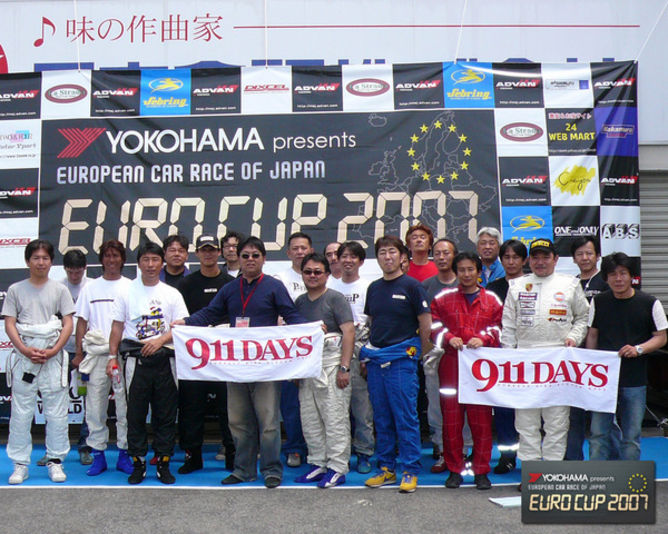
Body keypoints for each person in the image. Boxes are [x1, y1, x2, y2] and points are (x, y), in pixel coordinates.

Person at [179, 236, 305, 488]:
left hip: (266, 366)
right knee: (237, 421)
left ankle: (271, 469)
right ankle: (244, 469)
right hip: (236, 367)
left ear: (264, 259)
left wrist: (312, 328)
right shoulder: (229, 288)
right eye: (245, 255)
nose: (250, 260)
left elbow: (291, 315)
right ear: (238, 258)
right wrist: (185, 322)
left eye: (255, 255)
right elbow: (211, 313)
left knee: (268, 422)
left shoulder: (274, 286)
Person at [501, 239, 589, 468]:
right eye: (536, 257)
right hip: (525, 360)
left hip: (558, 360)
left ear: (555, 259)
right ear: (529, 260)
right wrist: (509, 357)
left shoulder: (570, 284)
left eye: (545, 257)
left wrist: (574, 338)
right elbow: (508, 326)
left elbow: (583, 318)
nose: (540, 262)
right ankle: (530, 471)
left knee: (557, 422)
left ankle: (551, 471)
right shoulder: (517, 286)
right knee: (526, 421)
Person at [108, 241, 189, 485]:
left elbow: (182, 325)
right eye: (146, 260)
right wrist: (111, 357)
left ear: (162, 263)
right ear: (139, 263)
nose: (151, 265)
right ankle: (138, 463)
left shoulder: (171, 293)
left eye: (155, 260)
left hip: (165, 360)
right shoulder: (126, 292)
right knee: (135, 415)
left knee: (166, 415)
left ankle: (163, 463)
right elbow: (117, 327)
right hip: (136, 361)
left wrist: (160, 340)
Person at [362, 235, 432, 494]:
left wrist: (419, 354)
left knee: (405, 417)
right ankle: (386, 468)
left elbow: (425, 323)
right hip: (376, 361)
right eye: (382, 252)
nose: (387, 257)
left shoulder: (413, 286)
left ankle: (410, 469)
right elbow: (372, 323)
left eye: (392, 251)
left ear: (403, 257)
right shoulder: (373, 288)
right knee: (381, 417)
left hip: (402, 361)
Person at [3, 240, 74, 484]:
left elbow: (68, 323)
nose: (41, 262)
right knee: (21, 414)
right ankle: (20, 464)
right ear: (27, 261)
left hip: (52, 357)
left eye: (45, 258)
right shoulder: (15, 289)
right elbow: (10, 323)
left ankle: (55, 461)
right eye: (36, 258)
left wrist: (54, 349)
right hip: (25, 357)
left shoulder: (60, 290)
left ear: (51, 262)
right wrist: (24, 349)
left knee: (57, 413)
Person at [430, 252, 503, 490]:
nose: (466, 274)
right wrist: (448, 338)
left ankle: (481, 471)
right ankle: (455, 470)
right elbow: (433, 327)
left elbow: (500, 328)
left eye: (471, 269)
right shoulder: (443, 298)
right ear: (456, 272)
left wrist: (484, 339)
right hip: (451, 366)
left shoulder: (492, 299)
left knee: (481, 422)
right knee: (451, 422)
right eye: (461, 270)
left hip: (481, 370)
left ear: (479, 271)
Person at [587, 252, 667, 460]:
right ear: (606, 278)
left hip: (634, 378)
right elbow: (592, 335)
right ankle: (597, 475)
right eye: (613, 274)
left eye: (623, 273)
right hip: (602, 379)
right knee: (598, 433)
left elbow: (661, 337)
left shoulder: (650, 302)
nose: (618, 279)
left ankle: (629, 477)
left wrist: (638, 349)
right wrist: (589, 367)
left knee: (631, 435)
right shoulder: (599, 302)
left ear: (632, 276)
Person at [72, 240, 133, 476]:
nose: (111, 260)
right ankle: (98, 456)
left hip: (123, 355)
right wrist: (79, 353)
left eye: (115, 255)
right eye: (107, 256)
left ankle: (124, 454)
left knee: (125, 407)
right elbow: (82, 322)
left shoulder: (131, 287)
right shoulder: (90, 288)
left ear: (122, 259)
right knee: (95, 407)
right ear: (101, 260)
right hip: (96, 356)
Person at [176, 234, 235, 475]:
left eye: (212, 249)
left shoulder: (230, 283)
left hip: (223, 356)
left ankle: (232, 455)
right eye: (204, 250)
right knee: (191, 408)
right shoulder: (185, 285)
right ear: (197, 253)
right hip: (194, 357)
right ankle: (193, 457)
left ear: (219, 252)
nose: (208, 254)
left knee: (229, 408)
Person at [294, 253, 355, 488]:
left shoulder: (335, 298)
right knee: (310, 419)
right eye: (308, 271)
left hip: (332, 363)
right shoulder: (300, 302)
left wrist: (344, 367)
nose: (312, 275)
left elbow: (348, 332)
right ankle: (318, 463)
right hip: (308, 366)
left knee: (334, 418)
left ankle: (337, 467)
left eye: (317, 272)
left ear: (327, 274)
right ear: (302, 274)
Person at [328, 241, 375, 474]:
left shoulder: (368, 287)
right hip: (334, 349)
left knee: (362, 407)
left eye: (353, 257)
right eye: (344, 256)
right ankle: (339, 455)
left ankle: (364, 453)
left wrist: (367, 356)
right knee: (336, 409)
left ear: (361, 261)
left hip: (360, 348)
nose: (348, 261)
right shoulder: (330, 286)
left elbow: (374, 322)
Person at [565, 236, 612, 461]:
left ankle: (609, 462)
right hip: (573, 360)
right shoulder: (569, 284)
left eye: (589, 253)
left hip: (601, 360)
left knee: (602, 416)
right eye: (580, 254)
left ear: (598, 256)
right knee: (572, 416)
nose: (585, 258)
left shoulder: (607, 282)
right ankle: (573, 461)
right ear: (573, 258)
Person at [486, 239, 527, 474]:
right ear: (501, 260)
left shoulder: (533, 284)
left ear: (524, 260)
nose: (511, 262)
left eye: (515, 257)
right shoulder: (493, 288)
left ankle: (532, 456)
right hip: (500, 355)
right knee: (503, 409)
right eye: (507, 257)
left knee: (529, 410)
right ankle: (507, 456)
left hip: (529, 354)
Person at [421, 238, 459, 472]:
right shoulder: (425, 286)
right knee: (436, 404)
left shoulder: (465, 282)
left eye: (447, 253)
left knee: (463, 405)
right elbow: (422, 322)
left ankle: (464, 449)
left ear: (454, 255)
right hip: (435, 354)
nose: (442, 257)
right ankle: (442, 449)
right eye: (438, 253)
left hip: (463, 354)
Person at [276, 231, 313, 467]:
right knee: (291, 403)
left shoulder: (321, 275)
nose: (300, 252)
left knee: (318, 402)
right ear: (288, 252)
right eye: (295, 248)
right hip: (288, 349)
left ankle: (318, 449)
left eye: (304, 248)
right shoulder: (279, 278)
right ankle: (295, 448)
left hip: (315, 347)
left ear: (311, 251)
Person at [56, 249, 91, 467]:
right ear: (65, 269)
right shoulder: (57, 288)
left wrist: (81, 350)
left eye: (78, 272)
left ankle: (86, 446)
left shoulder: (92, 287)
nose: (74, 276)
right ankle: (54, 448)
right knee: (56, 399)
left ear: (85, 268)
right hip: (61, 350)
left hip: (88, 351)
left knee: (90, 400)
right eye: (70, 272)